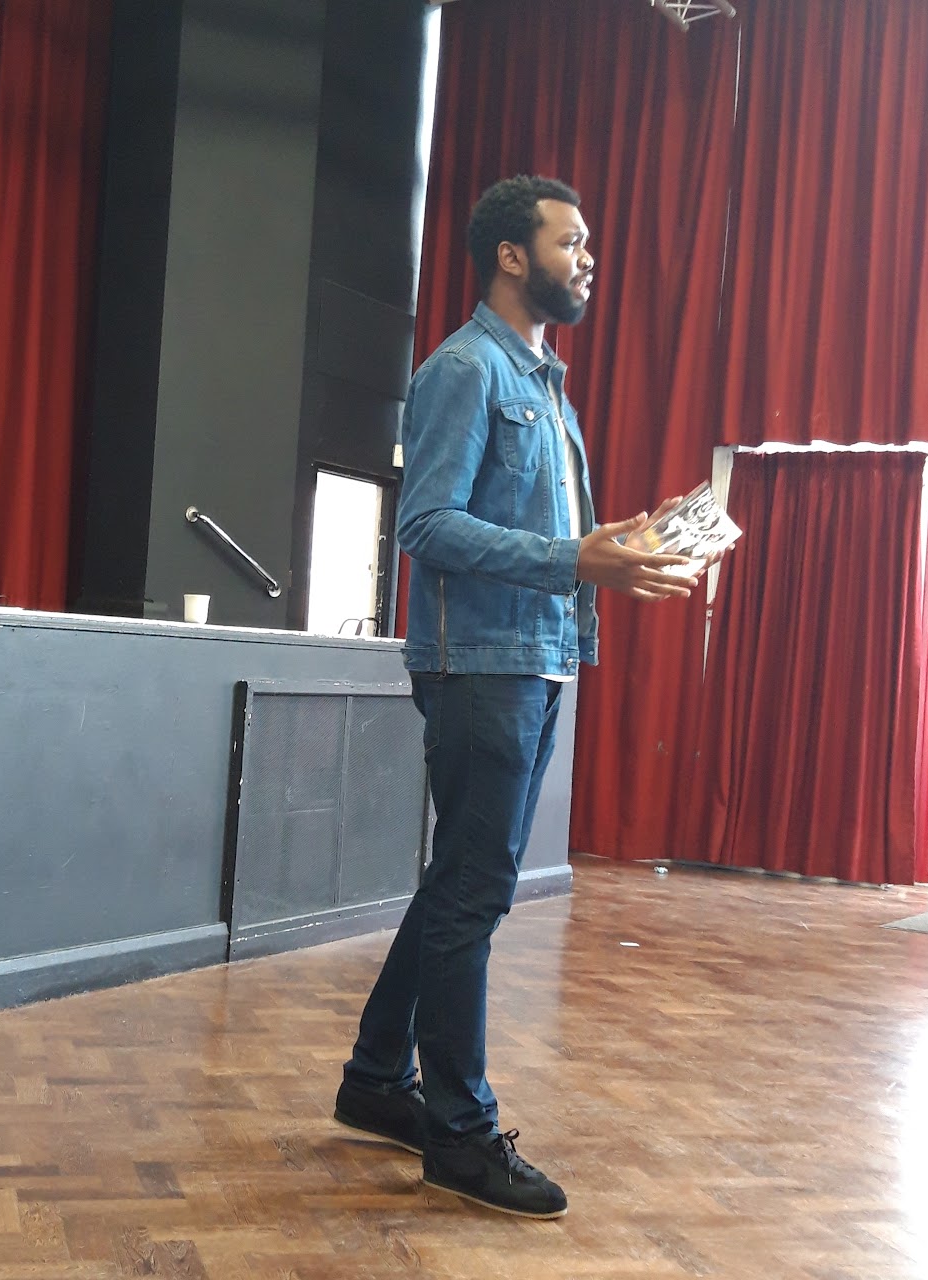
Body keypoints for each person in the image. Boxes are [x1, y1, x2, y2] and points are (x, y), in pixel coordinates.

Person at [333, 175, 698, 1218]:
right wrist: (572, 554)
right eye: (569, 242)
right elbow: (426, 524)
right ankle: (457, 1129)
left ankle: (372, 1080)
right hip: (478, 662)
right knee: (474, 892)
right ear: (509, 255)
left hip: (532, 654)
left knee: (459, 881)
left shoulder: (544, 382)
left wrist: (619, 541)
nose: (586, 259)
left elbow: (555, 542)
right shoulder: (462, 369)